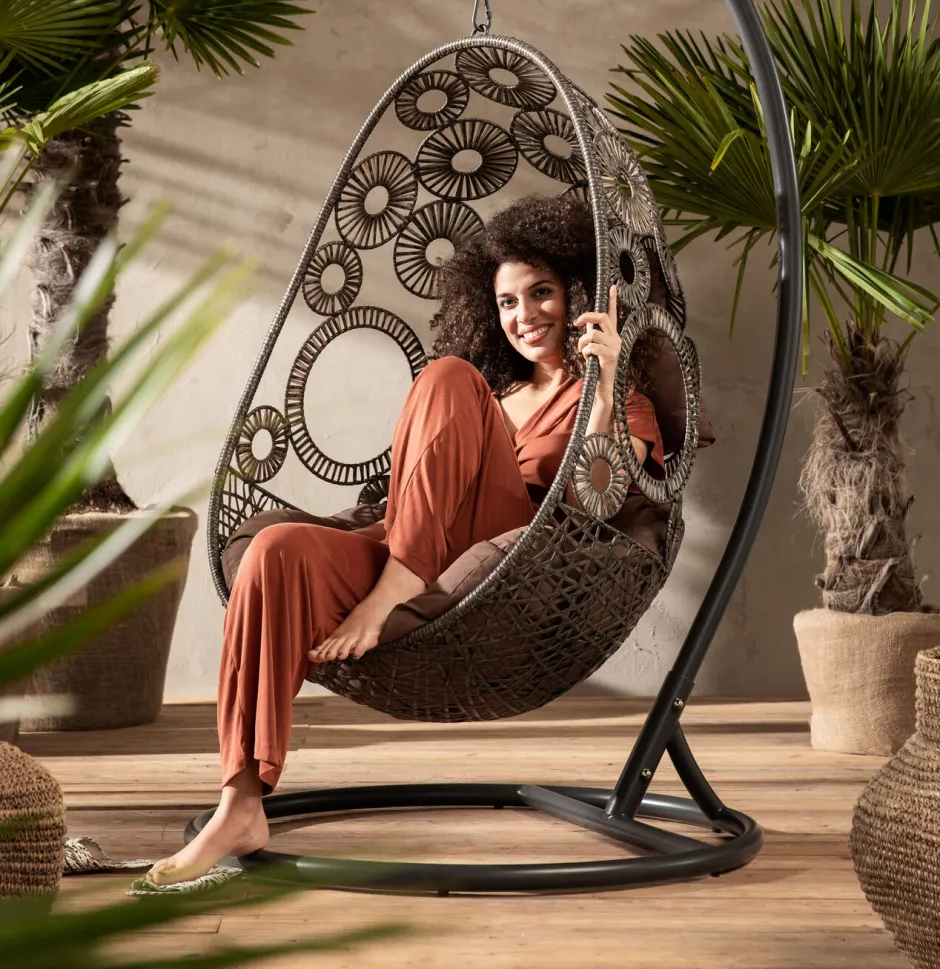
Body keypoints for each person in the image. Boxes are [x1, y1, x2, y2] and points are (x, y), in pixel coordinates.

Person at [145, 195, 664, 886]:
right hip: (417, 542)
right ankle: (240, 801)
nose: (525, 314)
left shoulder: (620, 401)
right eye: (507, 302)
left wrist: (602, 390)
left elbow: (591, 509)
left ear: (577, 292)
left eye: (541, 291)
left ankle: (395, 585)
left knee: (446, 373)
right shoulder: (491, 395)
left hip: (514, 563)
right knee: (274, 553)